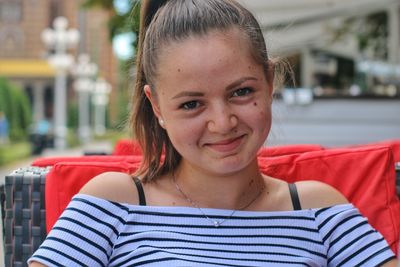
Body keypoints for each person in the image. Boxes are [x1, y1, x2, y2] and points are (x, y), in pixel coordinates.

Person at [29, 0, 397, 266]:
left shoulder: (319, 209)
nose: (222, 123)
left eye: (241, 92)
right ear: (156, 108)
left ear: (270, 83)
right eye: (191, 104)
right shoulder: (115, 203)